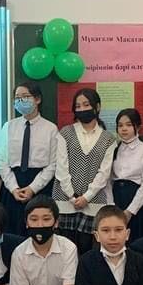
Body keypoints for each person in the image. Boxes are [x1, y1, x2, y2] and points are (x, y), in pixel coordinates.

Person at [52, 88, 117, 255]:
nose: (82, 109)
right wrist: (72, 196)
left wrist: (86, 197)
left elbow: (104, 173)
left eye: (86, 105)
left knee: (88, 251)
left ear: (97, 107)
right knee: (64, 250)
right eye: (78, 106)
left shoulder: (109, 139)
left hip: (93, 203)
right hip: (65, 201)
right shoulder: (65, 133)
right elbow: (61, 168)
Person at [0, 81, 58, 235]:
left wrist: (33, 188)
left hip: (40, 186)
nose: (21, 101)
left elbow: (52, 164)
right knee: (11, 233)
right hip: (12, 187)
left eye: (25, 96)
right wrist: (13, 188)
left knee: (39, 231)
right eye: (17, 98)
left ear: (37, 99)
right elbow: (2, 162)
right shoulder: (8, 127)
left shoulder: (50, 129)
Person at [108, 108, 143, 243]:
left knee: (136, 240)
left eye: (128, 125)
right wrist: (111, 205)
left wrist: (130, 211)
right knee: (117, 238)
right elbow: (109, 180)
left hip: (136, 199)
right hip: (116, 197)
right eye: (120, 125)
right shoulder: (114, 149)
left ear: (138, 127)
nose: (124, 129)